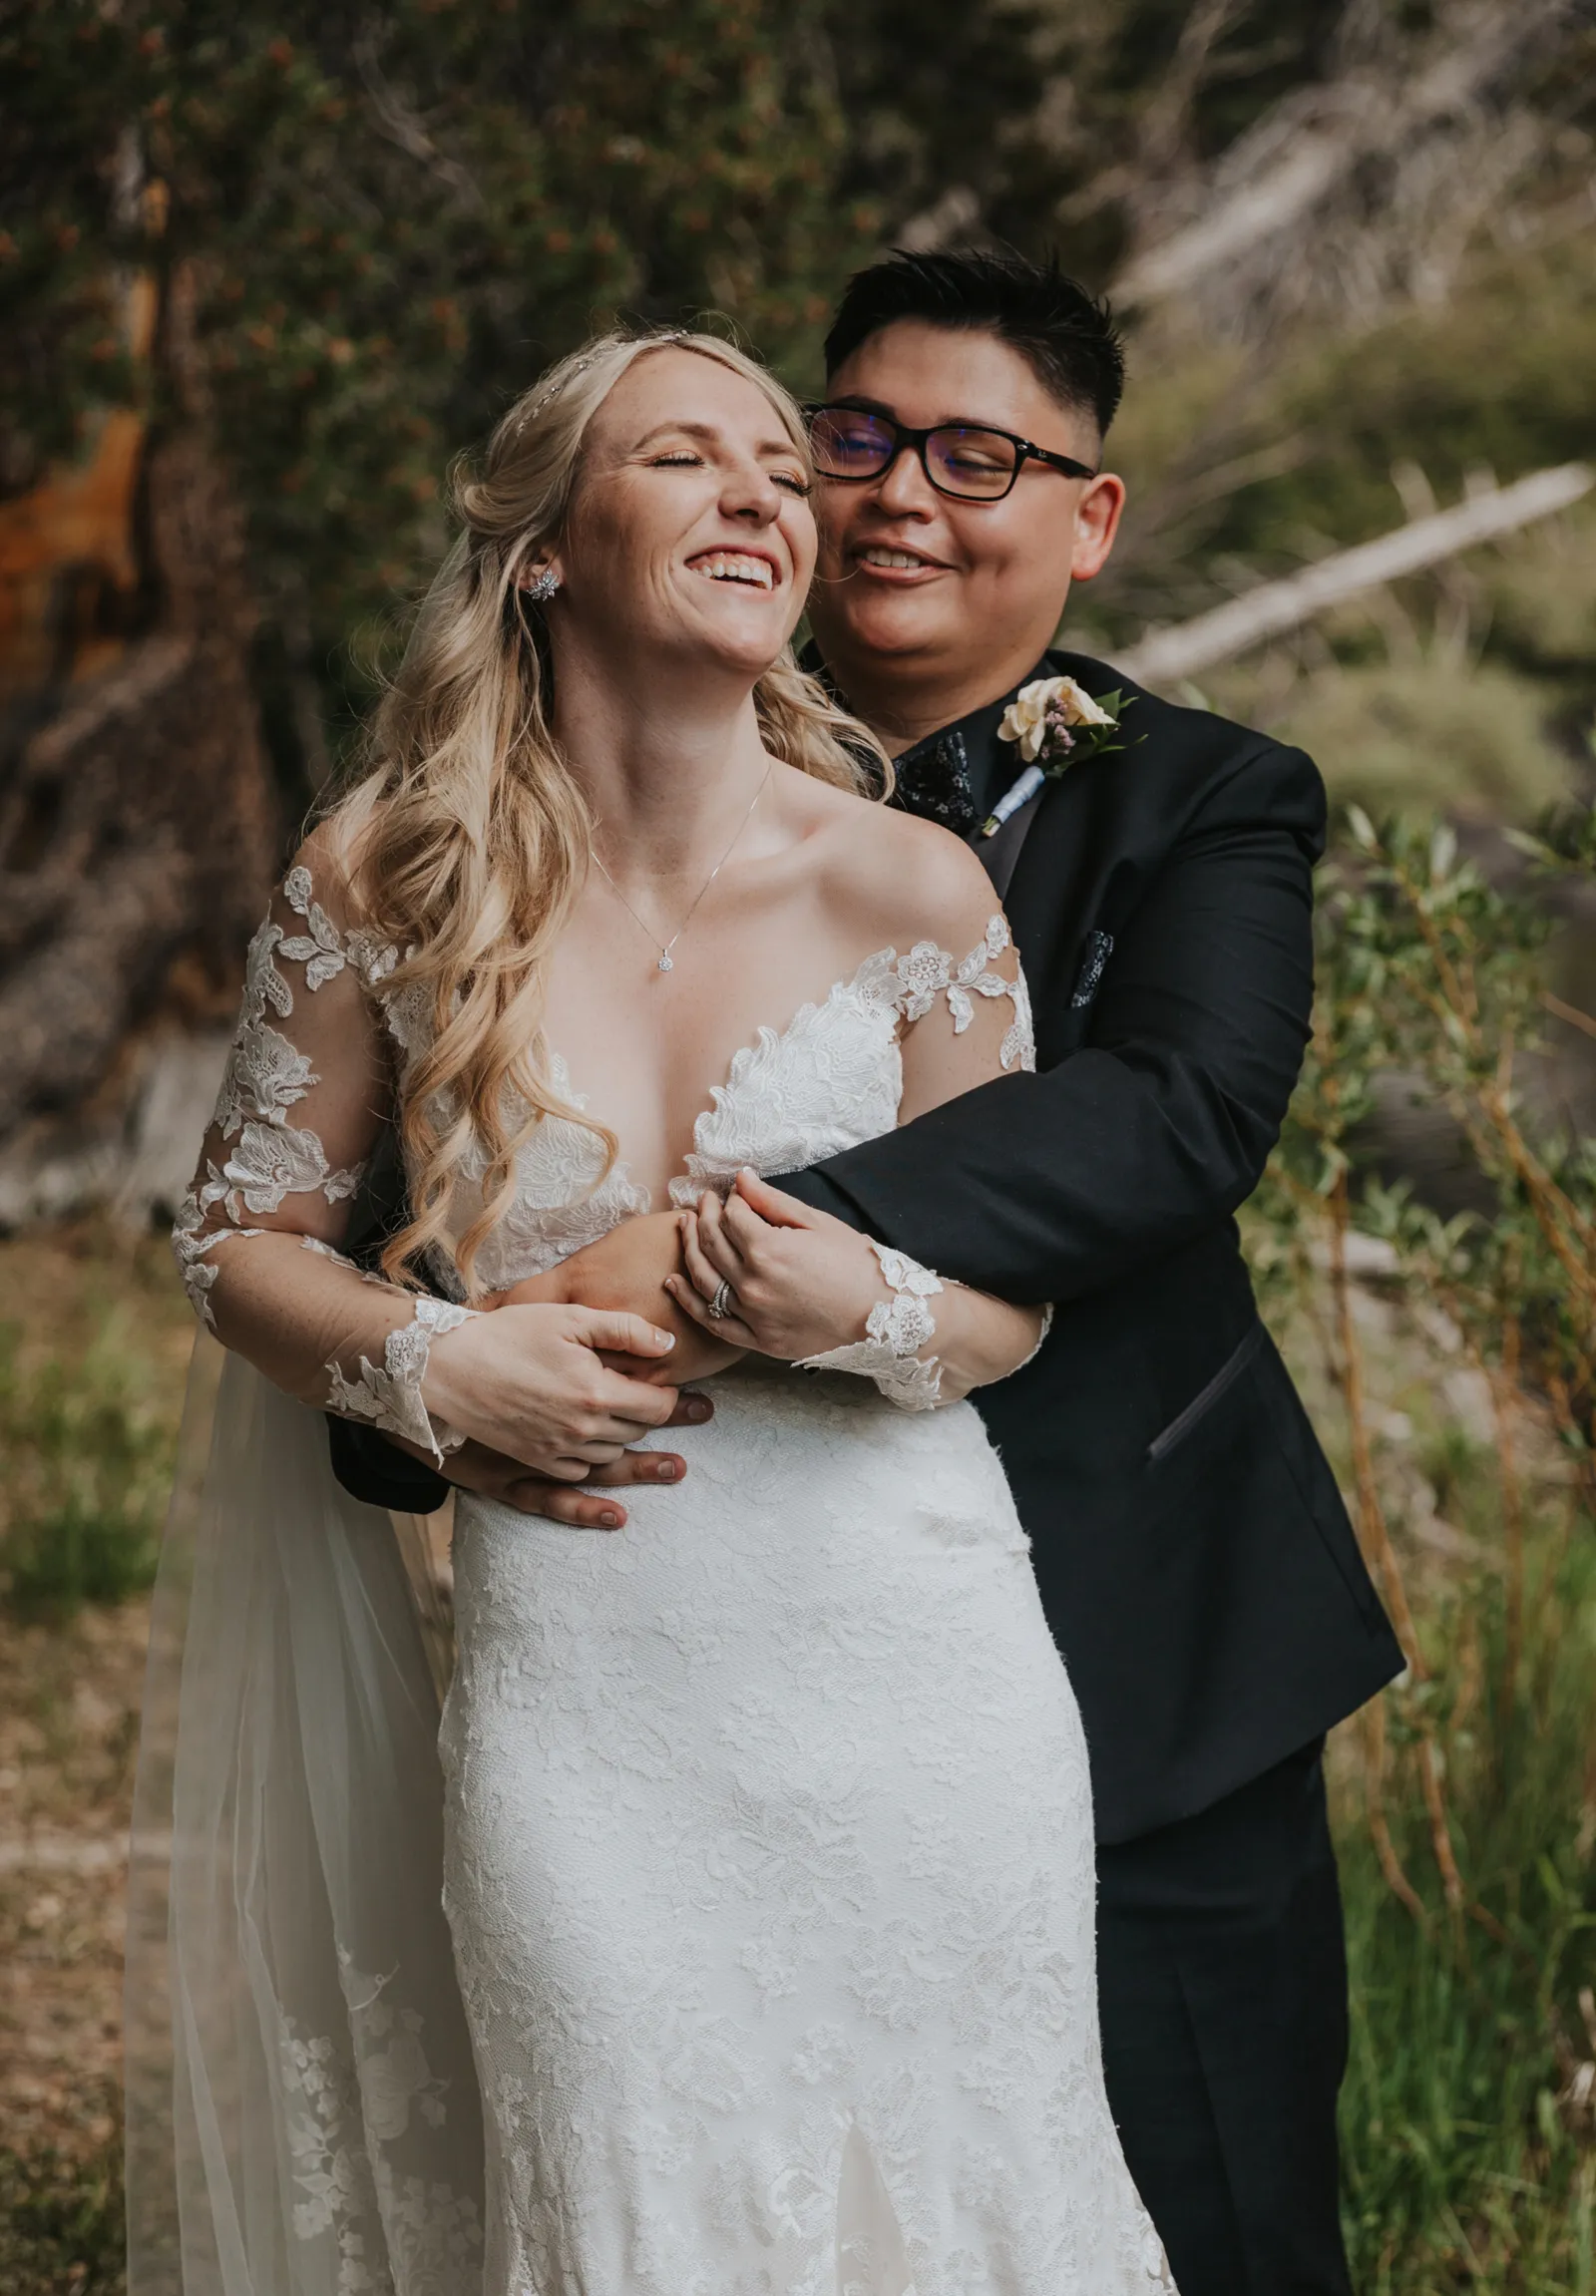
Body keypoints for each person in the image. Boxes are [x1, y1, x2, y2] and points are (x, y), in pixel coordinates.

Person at [335, 250, 1406, 2296]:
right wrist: (434, 1381)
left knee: (1190, 2226)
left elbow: (1175, 1115)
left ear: (1089, 517)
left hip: (1136, 1638)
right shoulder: (541, 806)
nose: (901, 491)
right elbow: (407, 1198)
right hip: (659, 1672)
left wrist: (684, 1247)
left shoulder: (1202, 795)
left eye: (977, 455)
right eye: (857, 436)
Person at [141, 326, 1178, 2294]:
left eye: (783, 470)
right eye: (687, 458)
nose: (762, 497)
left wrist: (846, 1296)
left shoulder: (918, 892)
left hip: (920, 1676)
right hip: (589, 1694)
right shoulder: (384, 873)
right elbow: (237, 1241)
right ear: (544, 545)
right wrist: (441, 1360)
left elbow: (1003, 1315)